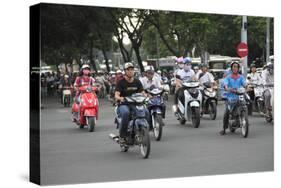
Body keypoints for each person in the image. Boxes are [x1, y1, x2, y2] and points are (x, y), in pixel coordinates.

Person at [115, 62, 150, 144]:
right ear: (125, 71)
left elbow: (142, 92)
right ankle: (122, 136)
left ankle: (146, 129)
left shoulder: (137, 81)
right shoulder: (121, 82)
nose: (130, 71)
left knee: (146, 112)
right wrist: (120, 98)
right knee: (126, 113)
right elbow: (116, 95)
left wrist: (147, 96)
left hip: (136, 104)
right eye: (128, 70)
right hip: (124, 104)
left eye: (132, 69)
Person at [220, 61, 246, 135]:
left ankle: (244, 118)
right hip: (230, 96)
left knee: (245, 103)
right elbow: (225, 84)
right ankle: (224, 128)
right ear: (231, 68)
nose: (235, 68)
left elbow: (244, 83)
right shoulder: (228, 77)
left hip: (239, 95)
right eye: (234, 67)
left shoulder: (241, 77)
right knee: (226, 113)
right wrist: (226, 87)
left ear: (238, 68)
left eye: (236, 67)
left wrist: (247, 86)